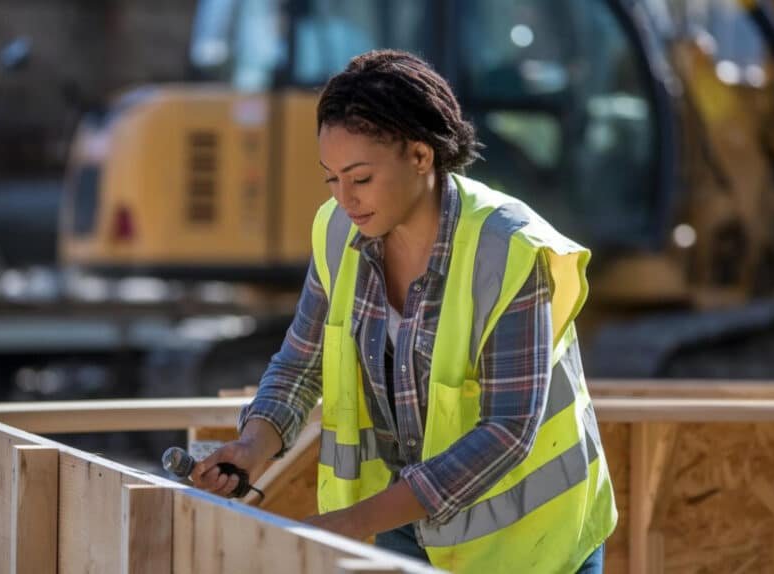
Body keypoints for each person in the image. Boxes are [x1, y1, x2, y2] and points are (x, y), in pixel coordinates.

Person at [190, 49, 617, 574]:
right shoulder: (339, 232)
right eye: (331, 179)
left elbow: (507, 431)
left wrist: (346, 526)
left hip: (535, 544)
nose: (345, 199)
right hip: (407, 525)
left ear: (420, 157)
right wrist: (253, 447)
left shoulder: (508, 250)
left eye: (361, 178)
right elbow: (301, 363)